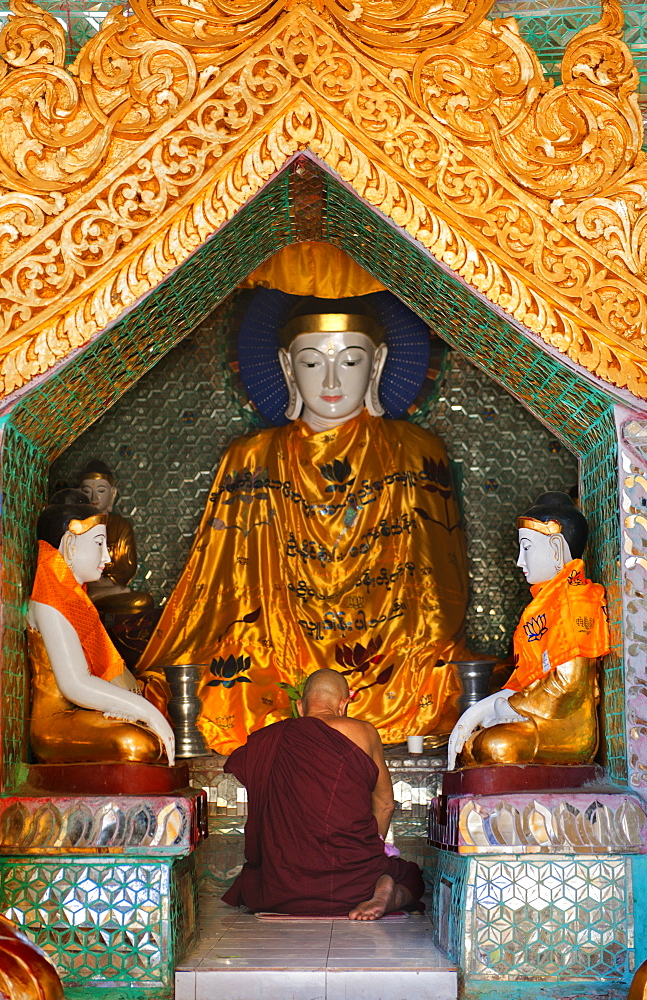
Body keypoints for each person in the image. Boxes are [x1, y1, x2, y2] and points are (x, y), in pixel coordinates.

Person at [138, 295, 470, 754]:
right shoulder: (249, 457)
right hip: (278, 641)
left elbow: (436, 587)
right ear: (287, 368)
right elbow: (219, 581)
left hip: (389, 643)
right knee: (230, 675)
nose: (332, 380)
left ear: (377, 366)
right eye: (313, 363)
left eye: (351, 361)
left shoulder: (417, 450)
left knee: (439, 669)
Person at [222, 668, 424, 918]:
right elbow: (385, 805)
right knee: (409, 875)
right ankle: (387, 892)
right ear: (343, 704)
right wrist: (374, 850)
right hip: (356, 882)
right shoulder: (363, 732)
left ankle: (377, 884)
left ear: (300, 705)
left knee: (253, 882)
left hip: (284, 888)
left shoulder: (270, 739)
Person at [448, 492, 609, 769]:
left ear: (557, 548)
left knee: (494, 746)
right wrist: (475, 713)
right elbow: (525, 678)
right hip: (533, 716)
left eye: (527, 548)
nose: (520, 561)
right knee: (473, 745)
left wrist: (509, 708)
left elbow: (568, 685)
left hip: (566, 727)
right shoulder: (541, 607)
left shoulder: (577, 600)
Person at [28, 492, 175, 765]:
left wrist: (134, 708)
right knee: (139, 744)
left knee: (149, 733)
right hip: (55, 725)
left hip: (82, 713)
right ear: (69, 545)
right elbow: (75, 684)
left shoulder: (77, 600)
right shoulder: (48, 600)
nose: (107, 557)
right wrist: (145, 711)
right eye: (99, 544)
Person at [78, 460, 153, 613]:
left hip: (110, 589)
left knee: (143, 601)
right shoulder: (74, 526)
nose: (94, 497)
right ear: (79, 493)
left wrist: (105, 580)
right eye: (87, 491)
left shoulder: (121, 526)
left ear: (112, 494)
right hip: (82, 590)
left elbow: (127, 567)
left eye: (101, 491)